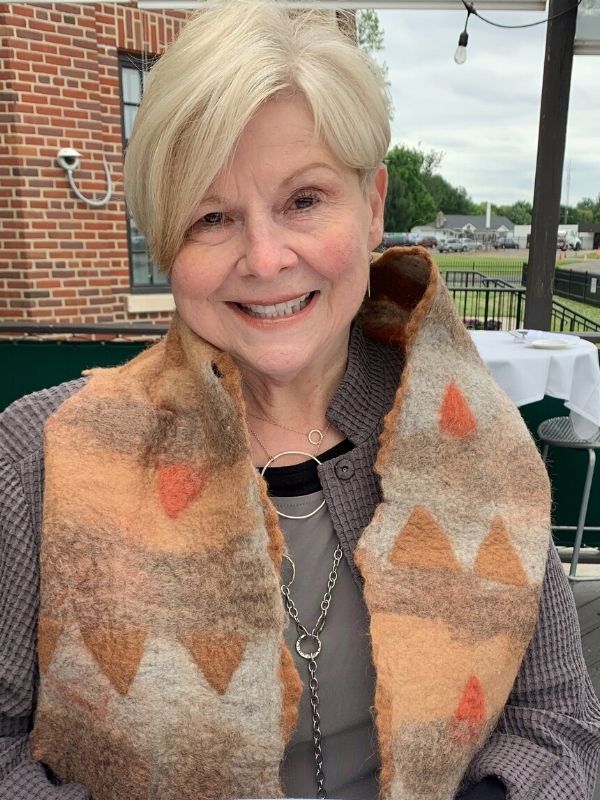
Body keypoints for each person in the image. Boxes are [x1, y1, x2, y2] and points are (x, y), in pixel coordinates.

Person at [1, 2, 599, 799]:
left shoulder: (475, 433)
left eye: (304, 200)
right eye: (212, 217)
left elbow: (560, 722)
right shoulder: (39, 456)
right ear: (166, 241)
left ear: (374, 203)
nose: (266, 256)